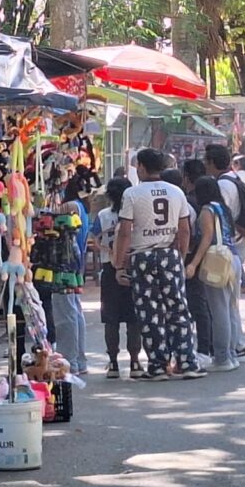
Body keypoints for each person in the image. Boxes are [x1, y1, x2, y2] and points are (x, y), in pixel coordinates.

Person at [114, 148, 205, 381]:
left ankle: (157, 364)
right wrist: (181, 258)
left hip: (142, 256)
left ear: (142, 167)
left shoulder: (132, 194)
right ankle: (187, 361)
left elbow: (125, 232)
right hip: (170, 255)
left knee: (150, 311)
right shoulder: (176, 192)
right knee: (178, 308)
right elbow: (184, 230)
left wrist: (119, 265)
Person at [185, 176, 242, 372]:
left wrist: (193, 263)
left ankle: (222, 357)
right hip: (233, 257)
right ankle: (232, 354)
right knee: (231, 308)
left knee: (218, 311)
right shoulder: (223, 208)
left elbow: (207, 238)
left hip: (217, 260)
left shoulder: (207, 211)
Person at [90, 177, 143, 378]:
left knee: (111, 318)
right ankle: (135, 362)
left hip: (110, 268)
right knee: (133, 317)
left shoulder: (103, 215)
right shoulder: (135, 215)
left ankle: (113, 363)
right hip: (132, 266)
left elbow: (94, 239)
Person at [51, 177, 92, 375]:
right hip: (76, 263)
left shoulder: (69, 206)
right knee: (74, 310)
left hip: (65, 264)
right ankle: (78, 360)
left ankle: (70, 361)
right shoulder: (82, 208)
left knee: (66, 312)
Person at [205, 143, 245, 310]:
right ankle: (234, 337)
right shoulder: (234, 179)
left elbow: (221, 216)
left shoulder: (222, 186)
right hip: (238, 240)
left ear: (211, 162)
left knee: (222, 305)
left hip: (226, 244)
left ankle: (227, 337)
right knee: (231, 303)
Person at [180, 159, 212, 360]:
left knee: (196, 303)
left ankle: (203, 349)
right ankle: (207, 346)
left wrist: (190, 260)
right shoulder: (208, 201)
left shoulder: (189, 202)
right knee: (204, 303)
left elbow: (190, 233)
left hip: (192, 255)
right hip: (204, 255)